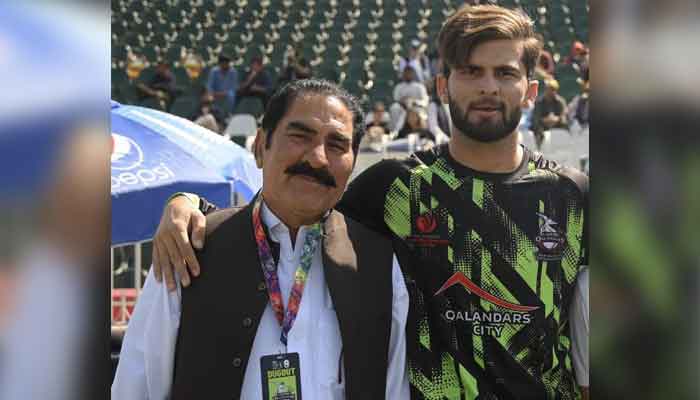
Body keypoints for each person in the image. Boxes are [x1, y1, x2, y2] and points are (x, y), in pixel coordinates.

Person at [151, 5, 589, 399]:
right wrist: (189, 206)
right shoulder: (396, 185)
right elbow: (289, 211)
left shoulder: (573, 195)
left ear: (531, 91)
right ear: (442, 86)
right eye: (471, 71)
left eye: (505, 73)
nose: (488, 87)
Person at [112, 79, 410, 400]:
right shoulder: (190, 247)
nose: (318, 158)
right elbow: (136, 387)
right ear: (259, 147)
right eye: (300, 136)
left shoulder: (377, 262)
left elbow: (394, 389)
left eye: (337, 145)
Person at [531, 78, 569, 149]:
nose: (550, 91)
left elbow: (563, 116)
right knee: (537, 128)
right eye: (548, 89)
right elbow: (536, 117)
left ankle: (564, 148)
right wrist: (545, 120)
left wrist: (556, 119)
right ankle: (539, 149)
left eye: (552, 89)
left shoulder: (560, 101)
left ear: (556, 91)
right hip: (543, 125)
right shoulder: (539, 102)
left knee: (565, 128)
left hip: (557, 124)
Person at [389, 66, 429, 132]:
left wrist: (414, 102)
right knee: (394, 108)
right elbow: (396, 100)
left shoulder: (419, 86)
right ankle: (395, 132)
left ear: (413, 74)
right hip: (402, 108)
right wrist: (403, 102)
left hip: (416, 108)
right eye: (406, 73)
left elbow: (425, 101)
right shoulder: (399, 86)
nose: (408, 75)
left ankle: (423, 131)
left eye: (409, 73)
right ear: (403, 74)